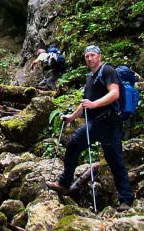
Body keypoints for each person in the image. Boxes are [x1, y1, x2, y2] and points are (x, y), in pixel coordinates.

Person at [46, 45, 134, 210]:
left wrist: (94, 104)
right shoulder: (90, 77)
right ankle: (64, 184)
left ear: (99, 56)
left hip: (109, 123)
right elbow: (85, 103)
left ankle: (126, 200)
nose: (89, 58)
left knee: (115, 161)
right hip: (94, 123)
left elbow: (114, 93)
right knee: (73, 145)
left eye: (92, 55)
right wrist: (72, 117)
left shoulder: (107, 71)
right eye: (87, 56)